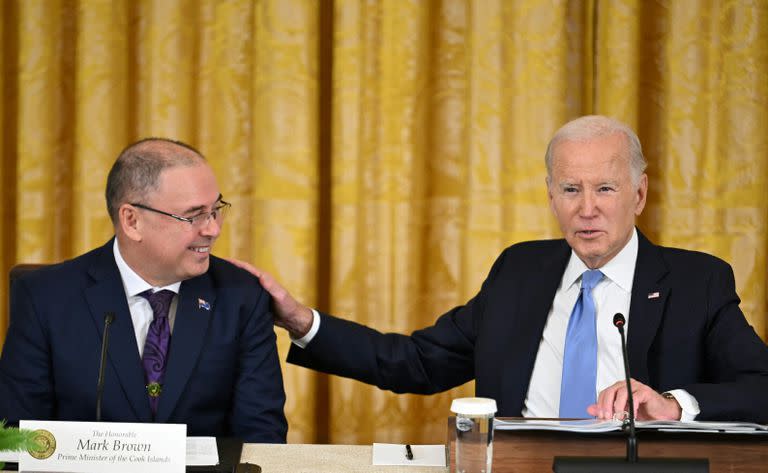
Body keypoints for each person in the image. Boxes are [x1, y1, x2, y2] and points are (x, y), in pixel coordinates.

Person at [234, 115, 768, 423]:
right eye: (569, 190)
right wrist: (304, 322)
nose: (587, 209)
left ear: (639, 194)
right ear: (551, 196)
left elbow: (760, 386)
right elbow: (418, 362)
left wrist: (673, 404)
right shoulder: (520, 271)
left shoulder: (697, 282)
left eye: (605, 188)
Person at [0, 138, 287, 442]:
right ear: (132, 221)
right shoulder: (46, 298)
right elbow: (17, 437)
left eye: (215, 210)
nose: (212, 229)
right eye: (193, 215)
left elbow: (262, 438)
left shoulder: (241, 297)